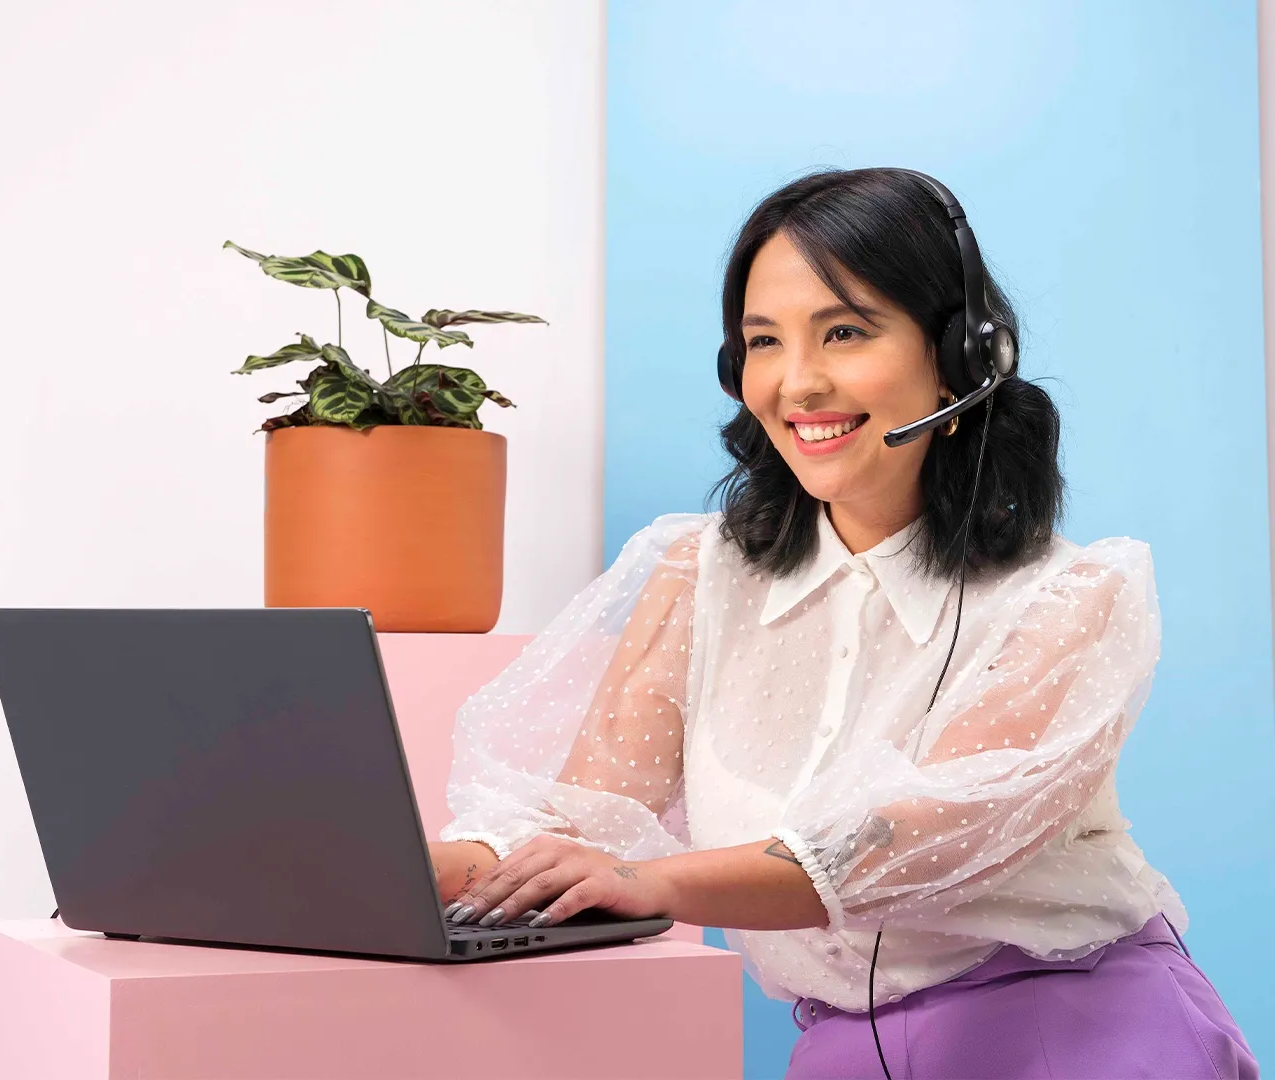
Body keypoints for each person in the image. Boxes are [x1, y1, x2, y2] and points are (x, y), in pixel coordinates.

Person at [427, 168, 1258, 1078]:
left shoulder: (1075, 597)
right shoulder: (693, 578)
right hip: (843, 1050)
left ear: (961, 357)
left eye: (845, 332)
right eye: (762, 342)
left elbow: (907, 840)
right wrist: (386, 867)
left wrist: (653, 882)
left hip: (1083, 1036)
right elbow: (583, 831)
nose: (798, 382)